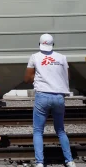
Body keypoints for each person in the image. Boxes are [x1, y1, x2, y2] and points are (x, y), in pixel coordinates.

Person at [24, 34, 76, 167]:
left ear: (39, 44)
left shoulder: (35, 57)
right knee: (60, 130)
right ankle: (69, 160)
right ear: (53, 45)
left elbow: (28, 79)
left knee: (38, 131)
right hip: (59, 96)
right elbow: (67, 76)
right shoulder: (62, 57)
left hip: (43, 96)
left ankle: (40, 162)